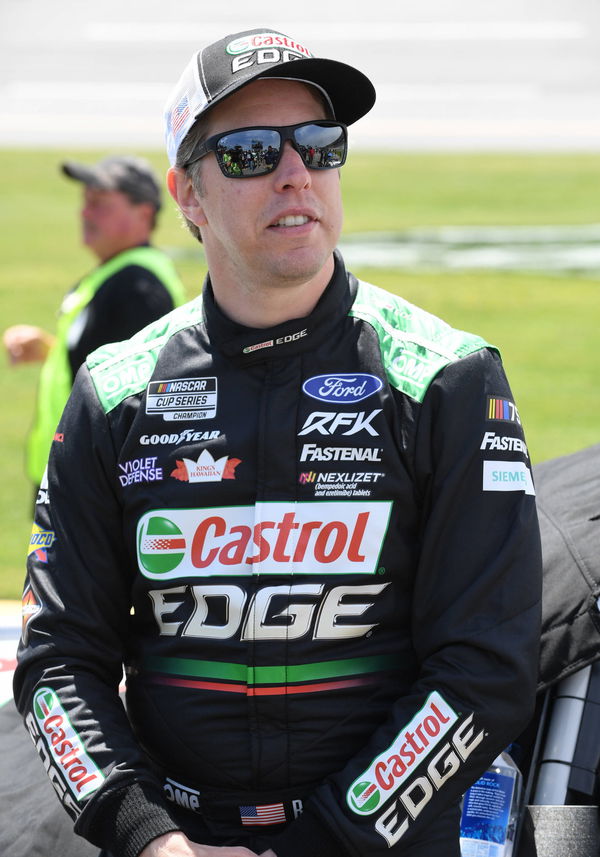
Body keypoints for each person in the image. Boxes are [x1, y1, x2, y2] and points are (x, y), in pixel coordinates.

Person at [13, 27, 542, 857]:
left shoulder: (446, 376)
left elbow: (486, 669)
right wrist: (148, 836)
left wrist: (316, 846)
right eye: (254, 152)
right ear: (186, 194)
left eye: (321, 146)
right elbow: (56, 662)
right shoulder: (115, 391)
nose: (297, 172)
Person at [3, 154, 186, 489]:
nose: (85, 213)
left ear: (143, 213)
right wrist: (50, 351)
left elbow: (130, 397)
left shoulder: (137, 286)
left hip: (86, 478)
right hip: (70, 469)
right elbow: (104, 364)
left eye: (100, 203)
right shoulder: (115, 272)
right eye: (85, 202)